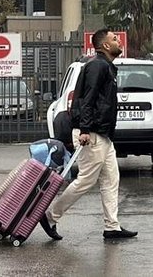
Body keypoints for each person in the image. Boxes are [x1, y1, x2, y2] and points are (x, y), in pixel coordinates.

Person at [40, 29, 138, 240]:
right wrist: (85, 129)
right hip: (92, 133)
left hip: (102, 134)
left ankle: (112, 226)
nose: (118, 41)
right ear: (104, 45)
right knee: (85, 180)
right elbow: (87, 99)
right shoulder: (97, 66)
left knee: (111, 178)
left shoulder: (106, 67)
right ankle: (50, 216)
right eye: (114, 39)